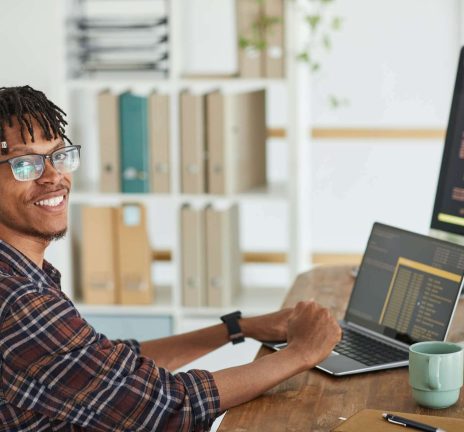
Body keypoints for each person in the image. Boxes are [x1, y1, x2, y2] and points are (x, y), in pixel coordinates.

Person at [0, 85, 342, 431]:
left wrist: (237, 328)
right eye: (25, 164)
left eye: (59, 155)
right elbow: (165, 408)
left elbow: (107, 369)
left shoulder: (23, 273)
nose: (54, 176)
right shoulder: (16, 298)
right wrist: (302, 353)